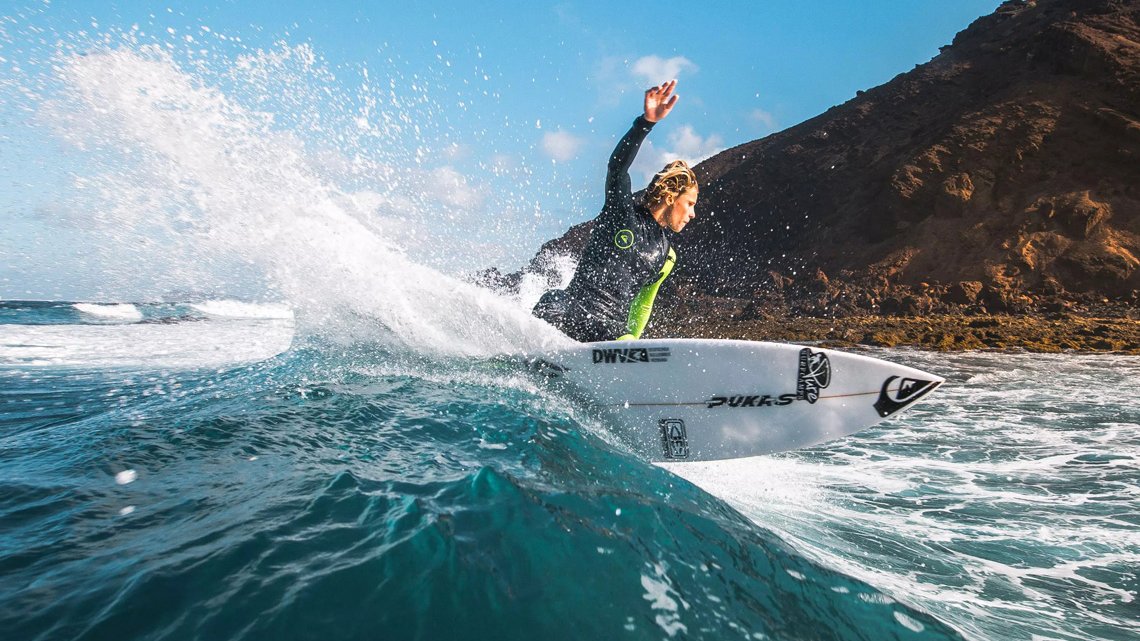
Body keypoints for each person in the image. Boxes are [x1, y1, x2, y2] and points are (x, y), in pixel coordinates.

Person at [533, 80, 698, 342]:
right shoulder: (621, 213)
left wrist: (631, 353)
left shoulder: (666, 255)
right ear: (670, 196)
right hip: (566, 312)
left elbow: (643, 306)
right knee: (555, 302)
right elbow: (618, 168)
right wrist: (645, 123)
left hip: (607, 334)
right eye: (690, 203)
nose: (692, 214)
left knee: (619, 336)